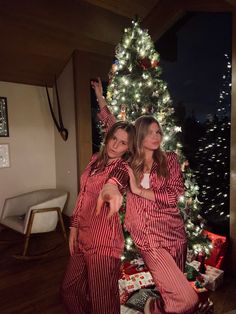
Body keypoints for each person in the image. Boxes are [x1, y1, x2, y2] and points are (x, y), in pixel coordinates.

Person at [94, 78, 199, 313]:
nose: (157, 136)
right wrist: (101, 99)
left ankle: (154, 305)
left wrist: (139, 189)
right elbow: (111, 126)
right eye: (150, 132)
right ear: (139, 135)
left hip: (174, 233)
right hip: (147, 235)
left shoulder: (169, 158)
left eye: (159, 132)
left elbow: (174, 195)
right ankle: (156, 306)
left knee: (170, 290)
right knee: (186, 300)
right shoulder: (129, 160)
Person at [60, 80, 136, 314]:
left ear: (128, 149)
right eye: (114, 138)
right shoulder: (95, 159)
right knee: (69, 291)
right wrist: (73, 227)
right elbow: (83, 196)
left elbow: (114, 184)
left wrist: (111, 190)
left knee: (102, 302)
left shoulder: (123, 166)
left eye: (123, 143)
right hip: (82, 236)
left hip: (103, 245)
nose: (116, 145)